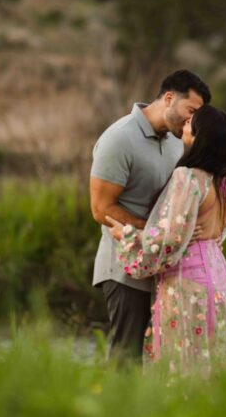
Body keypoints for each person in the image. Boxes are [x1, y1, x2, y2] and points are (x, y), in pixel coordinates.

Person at [106, 105, 226, 377]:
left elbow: (170, 241)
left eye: (191, 122)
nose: (185, 125)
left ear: (200, 136)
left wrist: (127, 236)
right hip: (220, 275)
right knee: (214, 358)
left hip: (188, 279)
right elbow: (218, 232)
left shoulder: (188, 178)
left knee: (183, 359)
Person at [90, 70, 212, 362]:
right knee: (126, 357)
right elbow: (101, 209)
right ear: (169, 98)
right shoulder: (119, 138)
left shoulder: (176, 141)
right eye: (191, 111)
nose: (191, 120)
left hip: (163, 269)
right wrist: (162, 232)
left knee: (158, 361)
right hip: (124, 270)